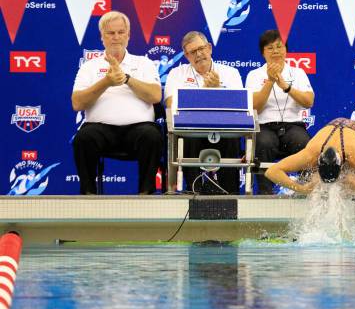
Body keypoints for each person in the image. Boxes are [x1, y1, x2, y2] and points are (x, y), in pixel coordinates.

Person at [72, 11, 163, 194]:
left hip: (138, 130)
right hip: (100, 130)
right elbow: (77, 103)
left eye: (121, 32)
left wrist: (126, 79)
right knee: (83, 138)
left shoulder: (144, 63)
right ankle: (88, 195)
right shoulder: (89, 66)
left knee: (152, 136)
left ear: (128, 36)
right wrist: (106, 82)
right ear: (102, 37)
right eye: (110, 33)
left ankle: (147, 195)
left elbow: (155, 96)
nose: (116, 37)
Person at [164, 31, 243, 194]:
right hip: (191, 130)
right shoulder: (176, 74)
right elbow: (172, 105)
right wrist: (207, 93)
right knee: (188, 138)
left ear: (209, 48)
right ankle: (195, 191)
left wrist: (217, 90)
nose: (199, 54)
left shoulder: (230, 72)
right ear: (186, 55)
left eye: (201, 49)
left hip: (223, 129)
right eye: (193, 52)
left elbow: (239, 108)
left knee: (232, 139)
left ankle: (231, 193)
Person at [245, 29, 315, 194]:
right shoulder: (254, 75)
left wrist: (286, 87)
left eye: (279, 46)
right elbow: (255, 107)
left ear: (286, 50)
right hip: (265, 126)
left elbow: (308, 102)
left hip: (293, 126)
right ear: (263, 53)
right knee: (264, 143)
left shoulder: (298, 73)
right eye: (270, 48)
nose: (275, 51)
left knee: (304, 143)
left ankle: (306, 192)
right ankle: (265, 195)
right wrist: (270, 81)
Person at [264, 118, 355, 194]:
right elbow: (272, 171)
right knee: (314, 182)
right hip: (334, 127)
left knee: (352, 181)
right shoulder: (311, 153)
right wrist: (301, 189)